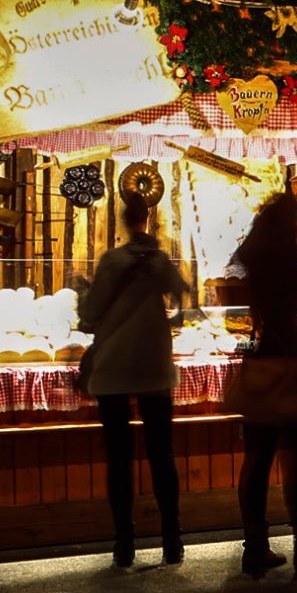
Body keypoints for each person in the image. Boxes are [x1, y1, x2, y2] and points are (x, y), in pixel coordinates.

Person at [79, 198, 189, 567]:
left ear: (124, 222)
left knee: (119, 458)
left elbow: (91, 313)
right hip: (154, 366)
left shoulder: (112, 260)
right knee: (162, 454)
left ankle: (124, 544)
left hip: (114, 367)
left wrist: (84, 296)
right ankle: (172, 541)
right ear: (149, 219)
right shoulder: (160, 262)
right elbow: (180, 297)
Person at [230, 193, 297, 579]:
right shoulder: (288, 259)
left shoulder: (253, 257)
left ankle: (255, 548)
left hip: (261, 364)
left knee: (256, 461)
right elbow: (296, 305)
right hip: (289, 363)